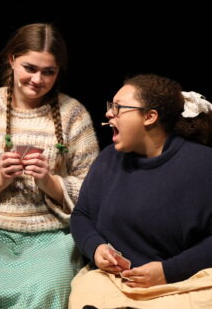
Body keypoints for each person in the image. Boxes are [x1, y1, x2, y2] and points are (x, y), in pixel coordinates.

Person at [0, 23, 99, 308]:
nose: (38, 79)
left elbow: (96, 196)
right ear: (12, 60)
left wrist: (50, 182)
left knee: (48, 287)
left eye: (48, 71)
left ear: (59, 71)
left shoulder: (73, 115)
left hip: (52, 239)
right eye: (30, 68)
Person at [69, 73, 212, 309]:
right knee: (86, 294)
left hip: (183, 284)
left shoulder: (203, 165)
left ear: (149, 116)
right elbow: (81, 215)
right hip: (117, 283)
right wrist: (95, 248)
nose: (108, 114)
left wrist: (169, 271)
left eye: (118, 108)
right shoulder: (108, 159)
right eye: (110, 106)